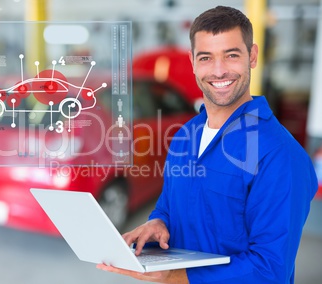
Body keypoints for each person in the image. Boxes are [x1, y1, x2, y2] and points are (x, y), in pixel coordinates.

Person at [97, 5, 318, 284]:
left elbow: (269, 270)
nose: (218, 70)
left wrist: (176, 276)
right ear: (192, 62)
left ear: (252, 56)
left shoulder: (280, 155)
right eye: (206, 57)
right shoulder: (184, 137)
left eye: (231, 55)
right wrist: (158, 222)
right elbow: (169, 203)